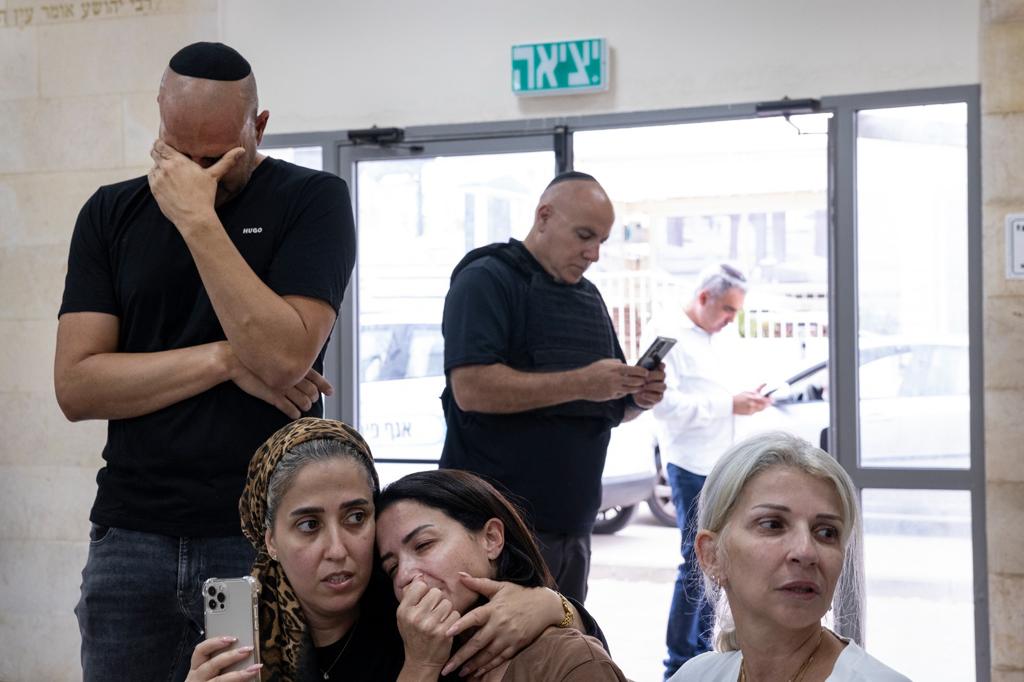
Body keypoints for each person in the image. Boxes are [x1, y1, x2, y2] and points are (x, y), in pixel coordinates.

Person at [54, 42, 355, 681]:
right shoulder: (110, 213)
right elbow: (78, 386)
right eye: (178, 152)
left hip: (259, 539)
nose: (195, 173)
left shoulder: (313, 200)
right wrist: (223, 358)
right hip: (132, 534)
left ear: (260, 127)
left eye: (216, 158)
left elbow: (280, 356)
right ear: (159, 120)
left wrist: (196, 220)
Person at [187, 418, 602, 682]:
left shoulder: (418, 618)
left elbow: (576, 657)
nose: (337, 549)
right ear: (271, 540)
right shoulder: (244, 638)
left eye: (355, 518)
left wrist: (554, 606)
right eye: (309, 525)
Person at [439, 171, 666, 603]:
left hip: (573, 526)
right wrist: (584, 382)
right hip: (493, 531)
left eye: (601, 240)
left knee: (561, 659)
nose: (594, 253)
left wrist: (636, 396)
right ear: (544, 216)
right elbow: (472, 388)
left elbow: (606, 406)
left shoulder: (589, 298)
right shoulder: (487, 279)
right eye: (584, 235)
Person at [668, 432, 910, 681]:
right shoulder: (696, 676)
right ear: (711, 555)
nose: (806, 552)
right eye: (773, 525)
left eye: (826, 532)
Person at [641, 263, 771, 677]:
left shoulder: (720, 337)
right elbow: (665, 407)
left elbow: (722, 389)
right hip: (691, 464)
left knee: (723, 563)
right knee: (696, 563)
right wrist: (728, 405)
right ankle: (679, 663)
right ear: (703, 298)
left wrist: (745, 399)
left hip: (726, 462)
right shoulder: (666, 333)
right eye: (728, 310)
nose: (732, 319)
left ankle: (710, 655)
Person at [377, 469, 629, 681]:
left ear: (491, 538)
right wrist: (421, 666)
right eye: (392, 568)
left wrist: (556, 606)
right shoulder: (406, 654)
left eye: (423, 544)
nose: (405, 576)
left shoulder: (569, 662)